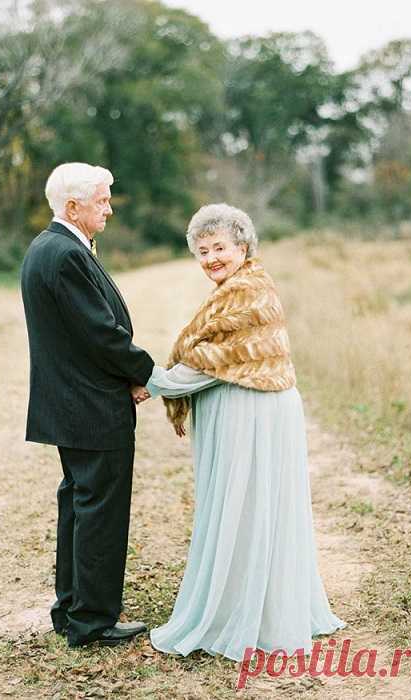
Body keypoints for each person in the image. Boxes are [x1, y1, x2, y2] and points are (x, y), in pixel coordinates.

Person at [146, 203, 346, 662]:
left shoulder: (249, 292)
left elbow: (213, 364)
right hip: (245, 410)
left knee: (251, 507)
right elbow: (212, 358)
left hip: (253, 412)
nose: (212, 257)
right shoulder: (234, 288)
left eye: (220, 247)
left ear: (243, 247)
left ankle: (248, 615)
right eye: (203, 250)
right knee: (245, 507)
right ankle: (247, 604)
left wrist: (153, 382)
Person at [20, 162, 153, 648]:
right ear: (72, 206)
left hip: (76, 403)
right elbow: (99, 334)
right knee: (98, 510)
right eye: (101, 200)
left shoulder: (50, 248)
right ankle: (93, 621)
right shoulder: (64, 255)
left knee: (79, 506)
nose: (109, 208)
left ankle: (72, 608)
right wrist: (143, 372)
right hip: (91, 407)